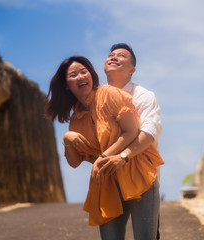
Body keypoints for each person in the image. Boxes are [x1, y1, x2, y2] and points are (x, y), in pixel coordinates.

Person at [45, 56, 164, 240]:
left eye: (84, 72)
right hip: (107, 184)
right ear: (67, 85)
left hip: (138, 174)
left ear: (91, 75)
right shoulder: (76, 120)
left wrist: (103, 156)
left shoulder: (109, 94)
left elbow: (131, 131)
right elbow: (74, 162)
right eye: (74, 75)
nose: (80, 77)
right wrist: (67, 138)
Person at [97, 43, 162, 239]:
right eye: (111, 55)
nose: (114, 57)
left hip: (141, 178)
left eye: (121, 56)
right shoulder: (97, 98)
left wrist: (123, 156)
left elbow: (150, 131)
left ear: (132, 69)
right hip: (109, 180)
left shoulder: (143, 95)